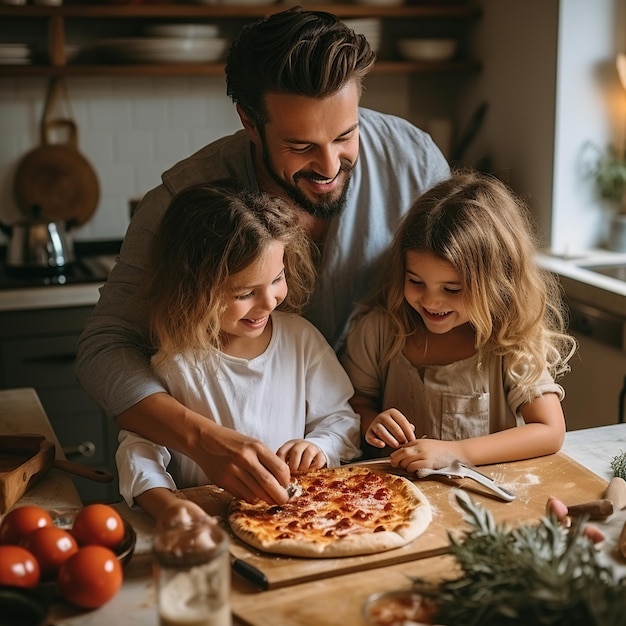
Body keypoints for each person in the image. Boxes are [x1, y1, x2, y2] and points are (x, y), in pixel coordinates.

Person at [75, 7, 450, 505]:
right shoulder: (183, 200)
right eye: (300, 146)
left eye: (345, 135)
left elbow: (479, 284)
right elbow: (105, 347)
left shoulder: (415, 160)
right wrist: (201, 441)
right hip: (226, 489)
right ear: (249, 123)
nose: (329, 166)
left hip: (394, 461)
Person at [115, 183, 361, 519]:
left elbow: (341, 420)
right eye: (244, 293)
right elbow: (139, 449)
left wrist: (319, 447)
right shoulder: (175, 360)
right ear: (194, 289)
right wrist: (168, 506)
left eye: (277, 278)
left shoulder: (301, 340)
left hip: (294, 515)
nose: (268, 302)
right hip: (208, 517)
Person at [340, 170, 577, 473]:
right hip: (388, 500)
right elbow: (352, 404)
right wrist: (372, 421)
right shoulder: (379, 330)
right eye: (415, 282)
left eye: (452, 289)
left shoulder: (508, 341)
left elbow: (550, 430)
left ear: (495, 284)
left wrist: (456, 452)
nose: (430, 301)